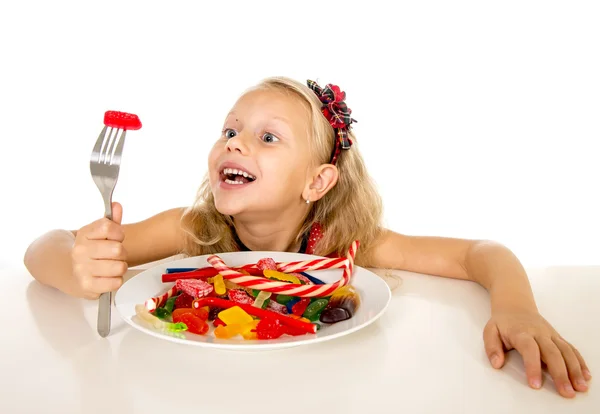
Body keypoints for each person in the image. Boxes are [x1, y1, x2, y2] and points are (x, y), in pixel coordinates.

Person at [23, 76, 590, 398]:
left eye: (267, 137)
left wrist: (518, 308)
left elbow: (477, 254)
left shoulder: (342, 245)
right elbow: (41, 248)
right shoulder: (193, 230)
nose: (235, 143)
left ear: (318, 181)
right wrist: (74, 266)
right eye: (229, 130)